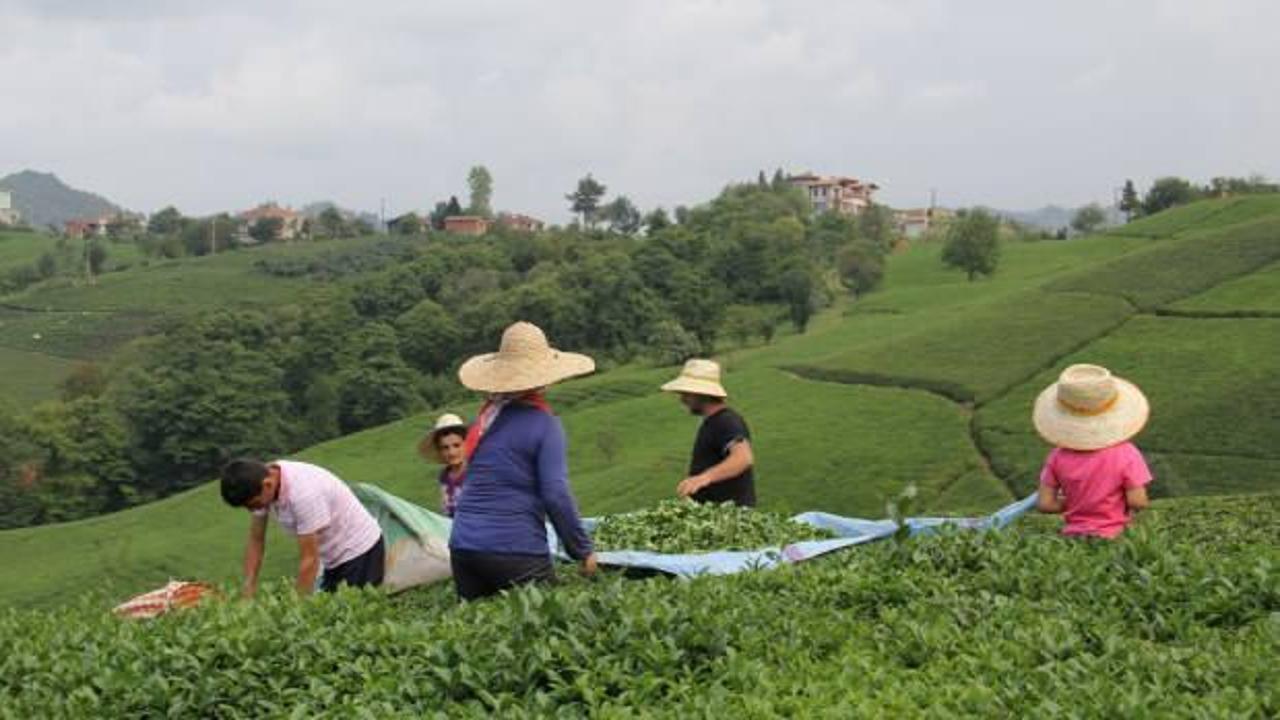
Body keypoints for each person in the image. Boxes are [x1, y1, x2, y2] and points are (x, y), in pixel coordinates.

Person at [448, 321, 598, 600]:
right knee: (553, 626)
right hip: (514, 549)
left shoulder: (486, 419)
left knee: (480, 633)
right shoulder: (545, 424)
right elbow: (555, 494)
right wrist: (583, 550)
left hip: (463, 546)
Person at [220, 458, 385, 597]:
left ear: (268, 484)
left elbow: (309, 560)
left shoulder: (303, 495)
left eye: (255, 504)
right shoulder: (260, 482)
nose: (254, 510)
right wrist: (249, 586)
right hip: (331, 557)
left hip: (360, 551)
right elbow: (256, 540)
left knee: (352, 614)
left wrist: (298, 609)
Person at [1033, 363, 1153, 538]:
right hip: (1115, 536)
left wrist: (1078, 504)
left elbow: (1045, 504)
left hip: (1071, 537)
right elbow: (1138, 501)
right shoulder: (1127, 453)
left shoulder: (1057, 456)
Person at [660, 358, 756, 507]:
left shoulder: (726, 421)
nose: (682, 399)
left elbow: (743, 458)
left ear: (701, 394)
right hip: (713, 513)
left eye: (686, 394)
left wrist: (704, 478)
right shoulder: (712, 422)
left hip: (729, 516)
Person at [419, 413, 469, 517]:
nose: (452, 452)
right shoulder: (444, 476)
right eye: (445, 448)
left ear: (466, 443)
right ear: (439, 451)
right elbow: (446, 506)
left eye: (457, 445)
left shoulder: (476, 472)